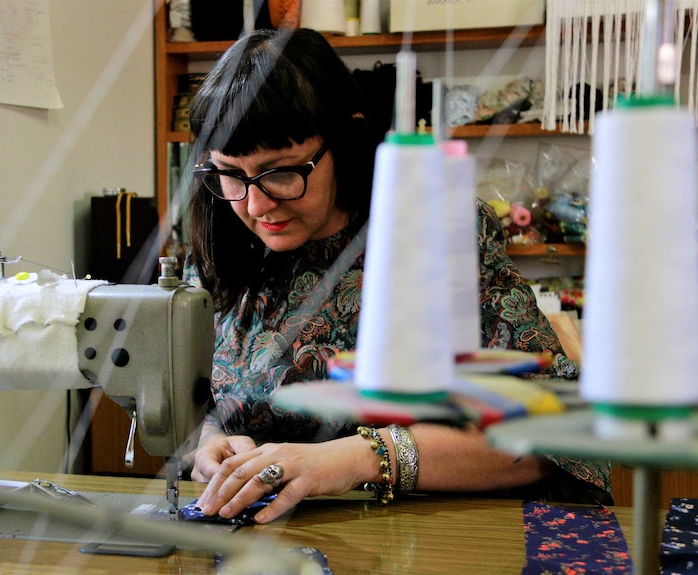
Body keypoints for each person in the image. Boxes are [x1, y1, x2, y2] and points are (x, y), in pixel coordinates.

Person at [181, 27, 610, 525]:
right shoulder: (223, 248)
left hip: (434, 541)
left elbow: (555, 436)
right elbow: (202, 400)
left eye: (282, 172)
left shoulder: (435, 235)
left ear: (345, 139)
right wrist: (210, 441)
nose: (255, 204)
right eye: (230, 173)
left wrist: (360, 458)